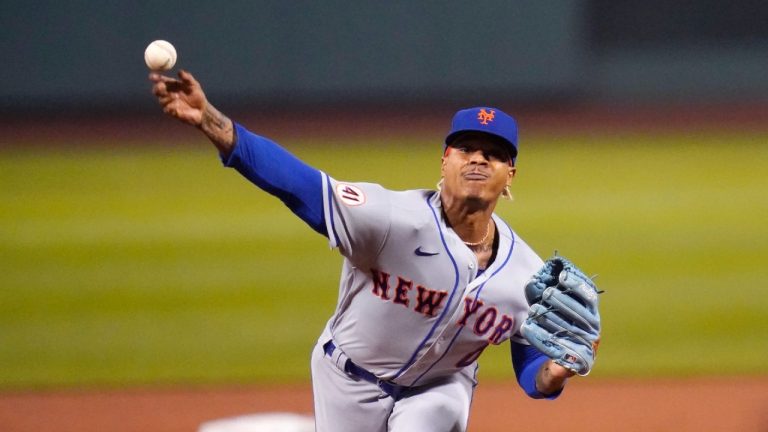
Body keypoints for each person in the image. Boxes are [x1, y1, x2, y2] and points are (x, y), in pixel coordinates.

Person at [149, 70, 592, 432]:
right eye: (467, 149)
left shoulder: (527, 274)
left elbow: (532, 369)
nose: (478, 159)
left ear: (509, 174)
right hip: (346, 378)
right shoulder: (387, 219)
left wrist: (555, 373)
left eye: (494, 155)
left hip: (440, 389)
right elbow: (293, 181)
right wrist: (208, 118)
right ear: (445, 160)